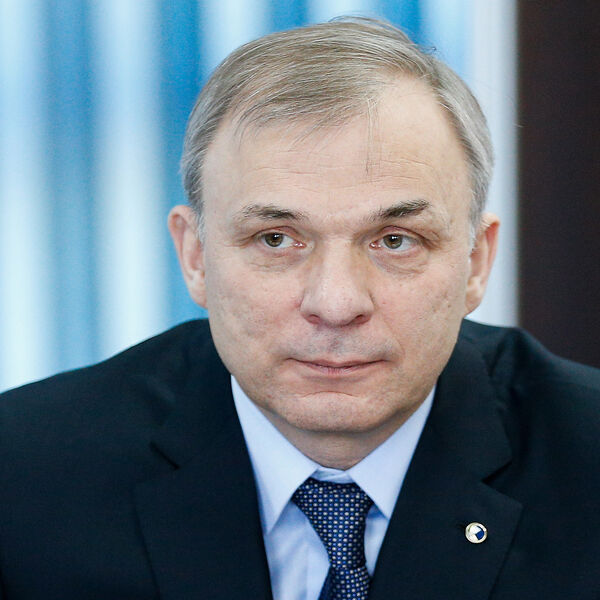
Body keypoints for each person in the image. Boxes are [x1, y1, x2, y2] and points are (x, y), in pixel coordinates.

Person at [0, 17, 598, 600]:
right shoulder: (24, 477)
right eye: (276, 239)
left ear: (476, 261)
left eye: (395, 240)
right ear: (195, 256)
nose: (336, 305)